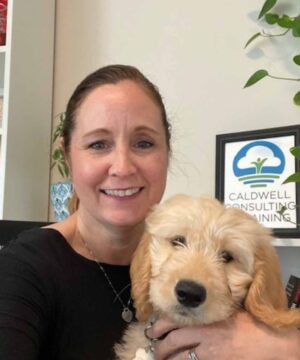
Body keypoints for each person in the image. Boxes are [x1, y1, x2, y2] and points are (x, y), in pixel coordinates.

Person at [0, 64, 299, 360]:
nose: (122, 167)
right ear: (67, 155)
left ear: (166, 153)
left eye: (143, 143)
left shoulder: (218, 242)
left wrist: (283, 347)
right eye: (98, 144)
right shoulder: (22, 271)